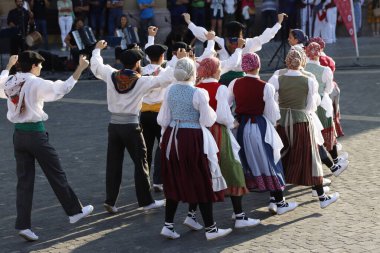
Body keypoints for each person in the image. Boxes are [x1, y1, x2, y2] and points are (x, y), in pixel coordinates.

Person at [3, 51, 93, 242]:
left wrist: (9, 65)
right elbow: (62, 89)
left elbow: (1, 80)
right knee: (56, 173)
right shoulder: (35, 82)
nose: (42, 68)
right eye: (40, 65)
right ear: (34, 65)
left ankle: (23, 225)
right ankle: (74, 211)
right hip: (36, 134)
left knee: (24, 182)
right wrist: (80, 68)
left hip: (18, 135)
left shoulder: (11, 80)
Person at [90, 40, 184, 214]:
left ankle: (110, 201)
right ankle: (146, 201)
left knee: (113, 164)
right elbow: (165, 78)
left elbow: (96, 66)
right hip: (131, 125)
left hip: (114, 126)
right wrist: (179, 60)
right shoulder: (141, 81)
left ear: (121, 62)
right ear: (138, 63)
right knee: (141, 163)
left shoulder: (111, 75)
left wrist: (97, 50)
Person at [157, 57, 232, 240]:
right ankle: (211, 228)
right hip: (191, 138)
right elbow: (208, 120)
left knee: (174, 178)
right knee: (201, 179)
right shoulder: (198, 93)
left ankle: (168, 225)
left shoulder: (169, 90)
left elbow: (163, 119)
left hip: (172, 138)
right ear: (193, 73)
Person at [191, 56, 261, 228]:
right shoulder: (220, 88)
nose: (221, 70)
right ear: (214, 70)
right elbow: (223, 114)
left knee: (204, 171)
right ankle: (239, 216)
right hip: (217, 131)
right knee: (233, 169)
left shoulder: (197, 87)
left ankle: (191, 214)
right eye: (219, 67)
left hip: (201, 132)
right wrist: (232, 123)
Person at [269, 49, 340, 209]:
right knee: (310, 158)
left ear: (287, 61)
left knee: (280, 158)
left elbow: (271, 101)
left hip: (282, 122)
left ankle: (274, 199)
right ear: (302, 62)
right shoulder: (309, 80)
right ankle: (322, 196)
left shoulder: (277, 78)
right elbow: (310, 106)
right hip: (301, 122)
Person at [228, 53, 298, 215]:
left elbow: (226, 105)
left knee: (248, 161)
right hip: (260, 125)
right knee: (270, 160)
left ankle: (251, 206)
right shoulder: (266, 86)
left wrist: (232, 122)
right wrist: (273, 124)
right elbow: (272, 114)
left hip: (242, 127)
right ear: (258, 66)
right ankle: (279, 201)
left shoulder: (234, 83)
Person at [184, 12, 287, 85]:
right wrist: (279, 23)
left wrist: (189, 22)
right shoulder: (247, 43)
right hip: (241, 77)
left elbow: (202, 33)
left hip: (222, 76)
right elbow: (265, 37)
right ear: (241, 33)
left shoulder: (220, 41)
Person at [304, 42, 349, 177]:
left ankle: (323, 165)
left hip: (307, 105)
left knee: (313, 137)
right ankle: (334, 160)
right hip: (322, 105)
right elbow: (328, 89)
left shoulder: (303, 68)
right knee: (328, 133)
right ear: (319, 53)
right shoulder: (325, 70)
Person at [140, 44, 168, 192]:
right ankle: (159, 181)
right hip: (160, 114)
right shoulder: (165, 72)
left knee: (146, 150)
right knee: (162, 146)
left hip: (144, 114)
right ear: (162, 57)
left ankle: (145, 181)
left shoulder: (142, 71)